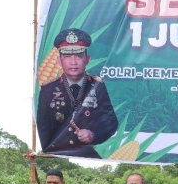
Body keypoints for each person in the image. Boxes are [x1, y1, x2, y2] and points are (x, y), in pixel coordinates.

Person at [36, 28, 118, 158]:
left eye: (79, 56)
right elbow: (43, 128)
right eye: (67, 56)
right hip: (56, 153)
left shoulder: (97, 86)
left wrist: (93, 134)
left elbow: (110, 122)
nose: (73, 62)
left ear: (87, 59)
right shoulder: (48, 90)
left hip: (86, 154)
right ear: (59, 61)